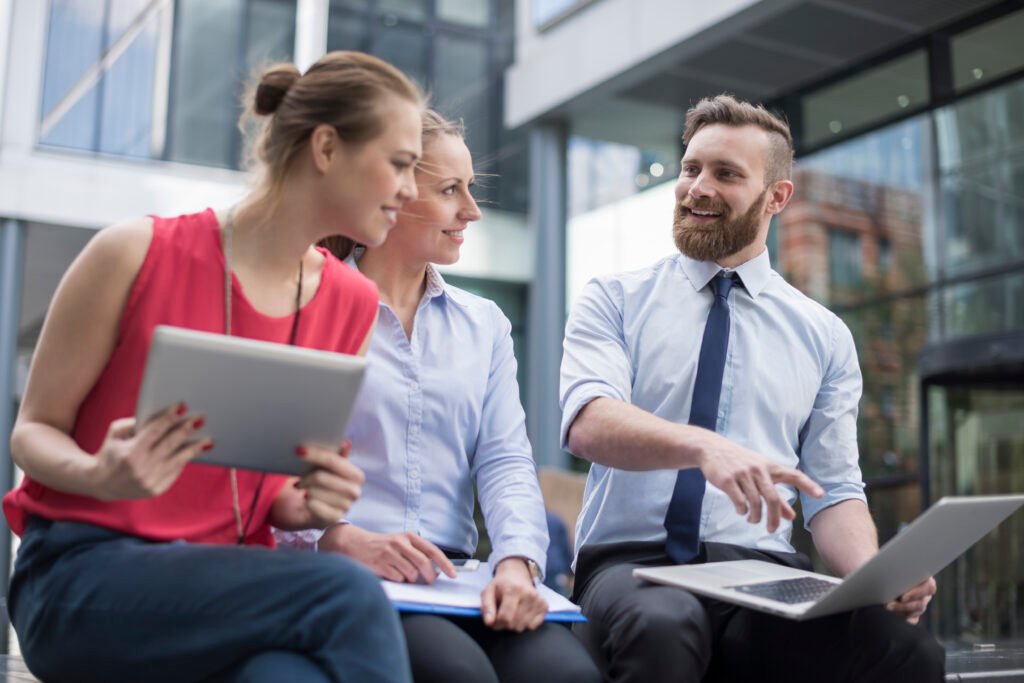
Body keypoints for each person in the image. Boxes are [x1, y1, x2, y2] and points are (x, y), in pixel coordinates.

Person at [3, 51, 425, 683]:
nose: (411, 190)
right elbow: (30, 433)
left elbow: (270, 491)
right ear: (328, 148)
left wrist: (308, 506)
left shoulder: (351, 302)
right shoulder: (132, 253)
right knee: (346, 593)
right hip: (80, 576)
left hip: (226, 584)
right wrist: (97, 474)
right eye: (399, 164)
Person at [559, 94, 945, 682]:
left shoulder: (824, 335)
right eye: (691, 169)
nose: (697, 188)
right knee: (664, 626)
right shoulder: (613, 299)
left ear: (777, 198)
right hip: (633, 566)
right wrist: (702, 446)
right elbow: (589, 423)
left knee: (904, 648)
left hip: (763, 574)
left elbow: (833, 489)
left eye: (726, 174)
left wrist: (876, 578)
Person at [310, 109, 601, 683]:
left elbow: (505, 461)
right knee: (458, 672)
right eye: (450, 191)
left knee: (568, 674)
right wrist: (336, 538)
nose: (471, 210)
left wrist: (517, 564)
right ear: (389, 193)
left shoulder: (484, 324)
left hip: (458, 577)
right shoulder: (312, 302)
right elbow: (273, 457)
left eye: (471, 189)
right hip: (354, 570)